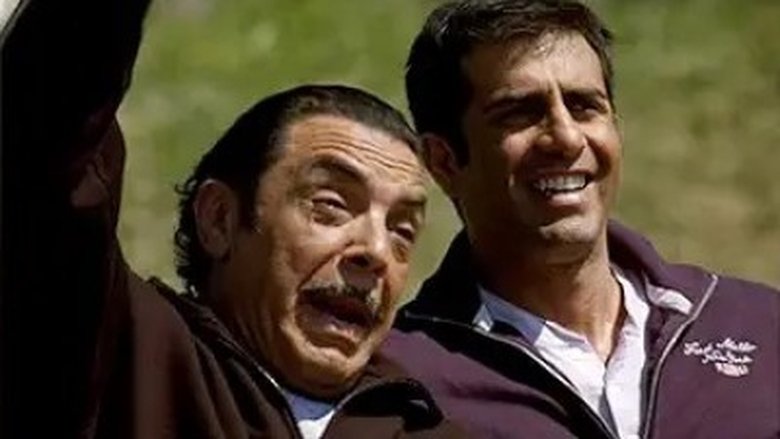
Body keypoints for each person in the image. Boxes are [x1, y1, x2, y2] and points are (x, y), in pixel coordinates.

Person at [2, 1, 465, 437]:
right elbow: (48, 136)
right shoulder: (123, 352)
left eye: (402, 232)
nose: (377, 252)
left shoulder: (432, 427)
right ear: (219, 219)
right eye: (331, 206)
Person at [381, 1, 780, 438]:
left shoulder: (758, 325)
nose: (567, 138)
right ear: (444, 161)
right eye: (520, 113)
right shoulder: (400, 388)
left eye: (584, 106)